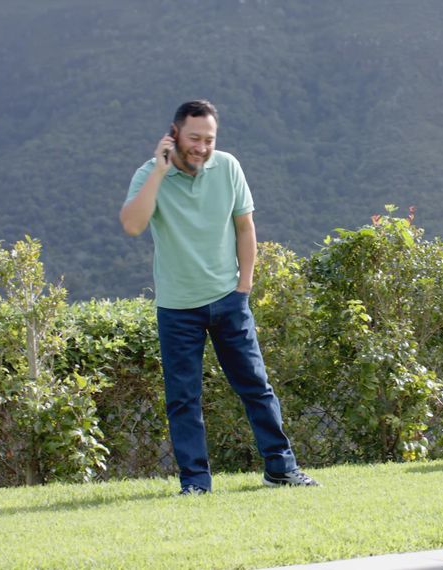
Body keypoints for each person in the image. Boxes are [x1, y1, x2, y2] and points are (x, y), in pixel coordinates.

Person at [119, 99, 317, 495]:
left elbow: (245, 228)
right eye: (194, 138)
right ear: (174, 134)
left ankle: (281, 468)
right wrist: (159, 172)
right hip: (177, 308)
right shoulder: (148, 174)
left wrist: (244, 287)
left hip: (229, 299)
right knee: (183, 400)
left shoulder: (228, 167)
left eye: (209, 139)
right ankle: (195, 483)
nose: (202, 147)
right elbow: (132, 224)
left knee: (256, 386)